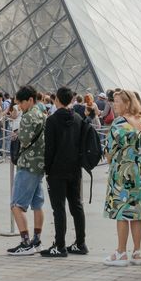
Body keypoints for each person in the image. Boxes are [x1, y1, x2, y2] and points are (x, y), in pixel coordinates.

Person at [39, 87, 91, 258]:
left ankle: (59, 245)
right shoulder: (77, 118)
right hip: (75, 169)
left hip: (57, 171)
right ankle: (80, 243)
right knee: (76, 205)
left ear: (57, 100)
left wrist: (47, 169)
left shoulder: (52, 120)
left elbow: (50, 149)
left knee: (58, 208)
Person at [103, 89, 141, 266]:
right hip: (140, 174)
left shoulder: (119, 123)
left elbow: (109, 152)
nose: (114, 104)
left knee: (122, 212)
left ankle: (121, 252)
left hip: (122, 173)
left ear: (127, 103)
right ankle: (137, 253)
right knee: (136, 214)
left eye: (117, 101)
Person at [6, 86, 48, 256]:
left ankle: (25, 242)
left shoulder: (28, 117)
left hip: (28, 164)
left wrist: (18, 134)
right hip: (39, 164)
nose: (20, 107)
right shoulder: (42, 114)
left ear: (30, 100)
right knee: (37, 204)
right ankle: (37, 240)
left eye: (21, 103)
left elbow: (24, 140)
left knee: (16, 205)